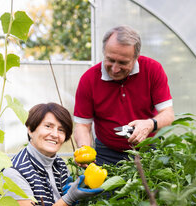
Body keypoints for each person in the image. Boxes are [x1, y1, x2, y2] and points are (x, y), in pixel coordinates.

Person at [74, 25, 174, 165]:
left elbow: (168, 115)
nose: (115, 69)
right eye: (110, 60)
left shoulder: (152, 70)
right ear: (104, 52)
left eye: (123, 62)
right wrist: (84, 150)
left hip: (148, 150)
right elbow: (82, 126)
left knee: (150, 187)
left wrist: (150, 124)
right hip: (106, 153)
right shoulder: (89, 79)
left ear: (136, 58)